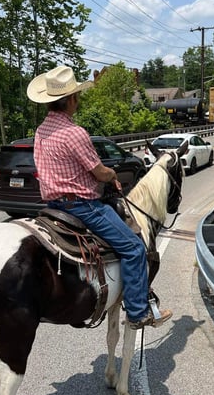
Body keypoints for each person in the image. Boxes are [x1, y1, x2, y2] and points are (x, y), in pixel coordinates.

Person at [26, 66, 172, 330]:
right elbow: (99, 171)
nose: (78, 101)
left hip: (52, 205)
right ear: (71, 99)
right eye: (76, 97)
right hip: (83, 207)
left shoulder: (41, 131)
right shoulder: (74, 133)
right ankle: (138, 312)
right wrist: (112, 173)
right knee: (134, 248)